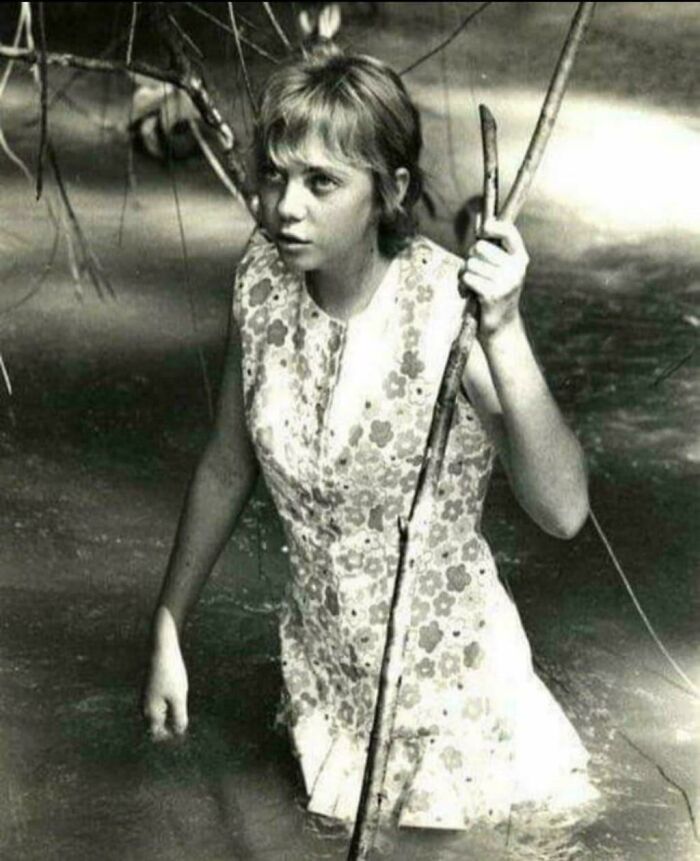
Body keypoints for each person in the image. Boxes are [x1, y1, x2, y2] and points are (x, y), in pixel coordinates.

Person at [142, 43, 598, 830]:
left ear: (389, 192)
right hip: (327, 694)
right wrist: (168, 627)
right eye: (276, 174)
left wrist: (506, 329)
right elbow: (225, 465)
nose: (287, 206)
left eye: (323, 183)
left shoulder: (446, 311)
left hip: (454, 711)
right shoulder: (261, 278)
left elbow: (562, 510)